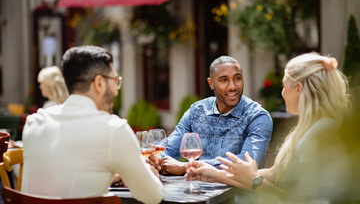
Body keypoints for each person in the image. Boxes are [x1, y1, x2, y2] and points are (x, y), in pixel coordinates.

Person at [187, 53, 351, 202]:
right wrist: (216, 174)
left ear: (298, 89)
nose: (282, 93)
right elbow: (274, 174)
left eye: (284, 86)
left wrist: (253, 181)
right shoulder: (309, 129)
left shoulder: (321, 134)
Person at [22, 46, 163, 204]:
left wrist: (109, 175)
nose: (116, 91)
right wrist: (150, 173)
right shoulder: (114, 129)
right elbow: (153, 197)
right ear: (99, 83)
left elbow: (62, 179)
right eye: (115, 81)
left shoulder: (34, 123)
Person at [148, 56, 273, 175]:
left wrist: (187, 167)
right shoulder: (196, 111)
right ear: (211, 83)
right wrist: (157, 161)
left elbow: (246, 164)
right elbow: (168, 150)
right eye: (224, 80)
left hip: (235, 196)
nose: (233, 86)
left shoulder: (257, 117)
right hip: (195, 192)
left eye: (237, 78)